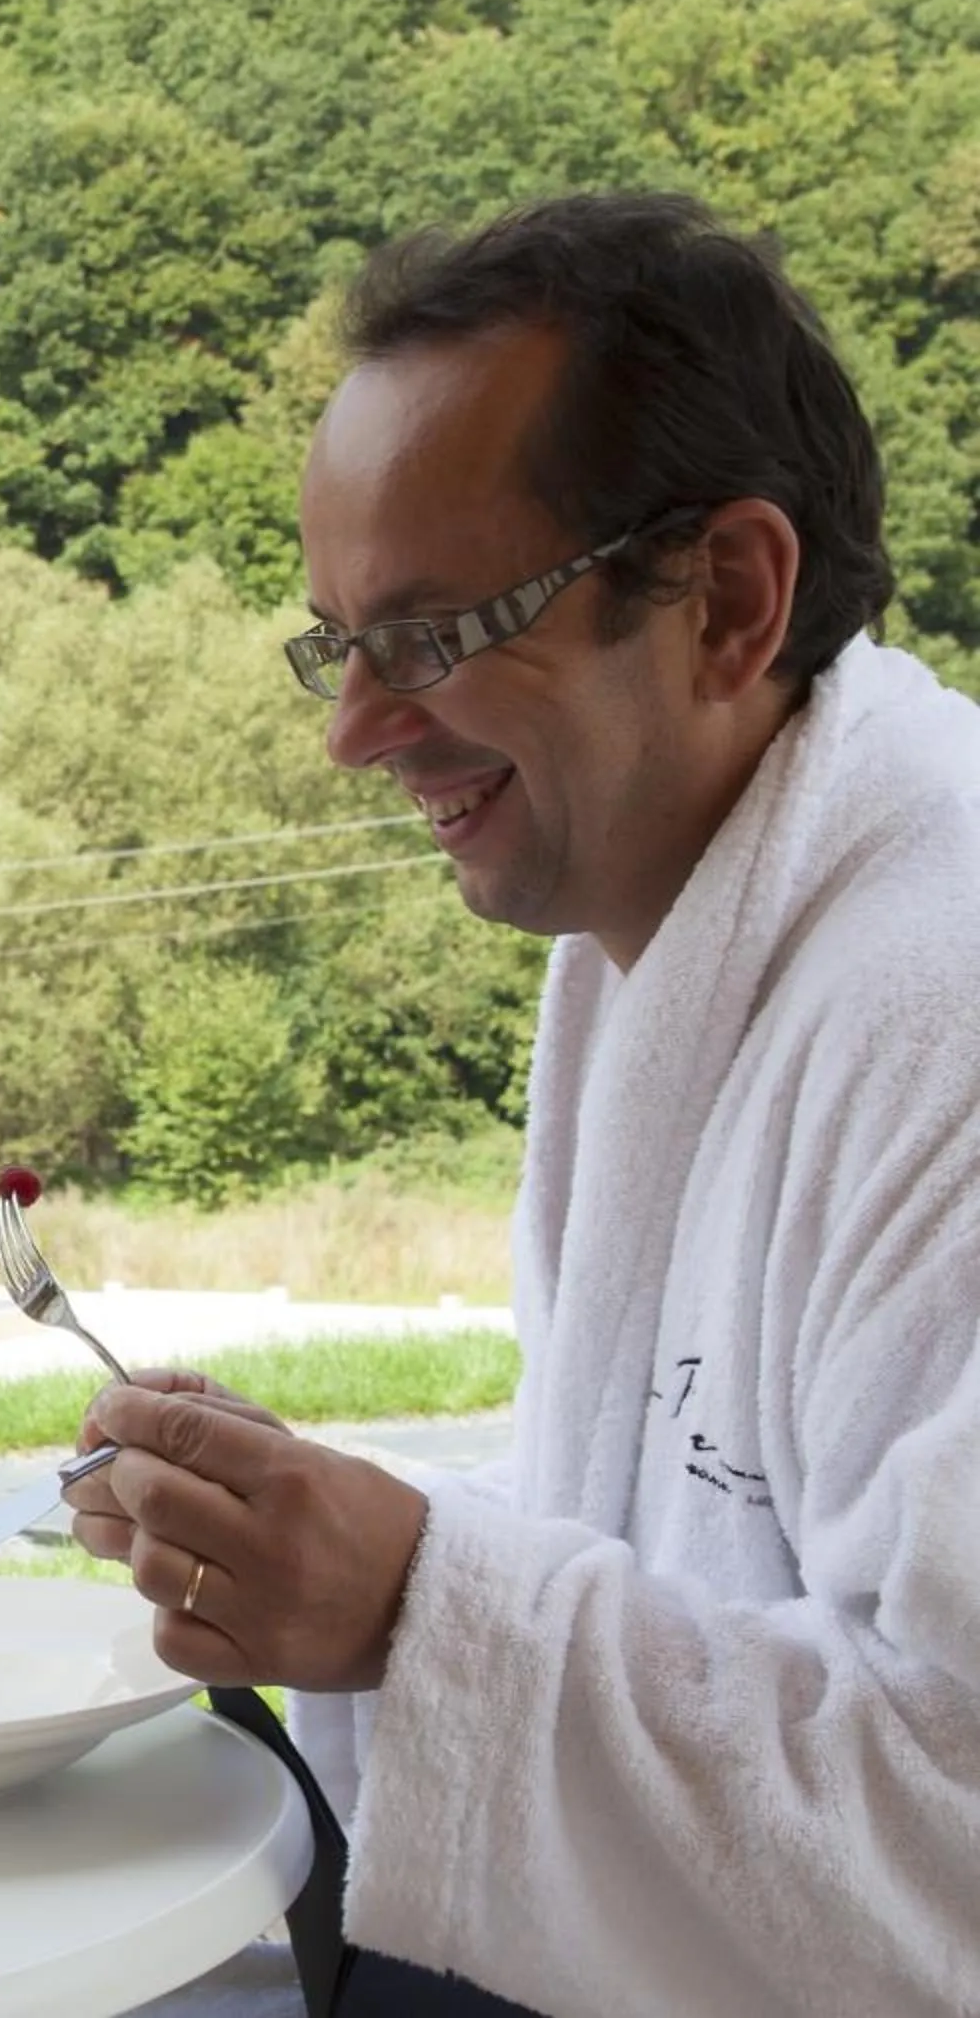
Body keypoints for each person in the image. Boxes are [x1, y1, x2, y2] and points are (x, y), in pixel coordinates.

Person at [70, 194, 980, 2017]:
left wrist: (414, 1604)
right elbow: (657, 1544)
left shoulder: (939, 1006)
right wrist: (327, 1530)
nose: (354, 733)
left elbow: (952, 1830)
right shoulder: (662, 938)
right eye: (337, 645)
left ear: (728, 596)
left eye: (431, 633)